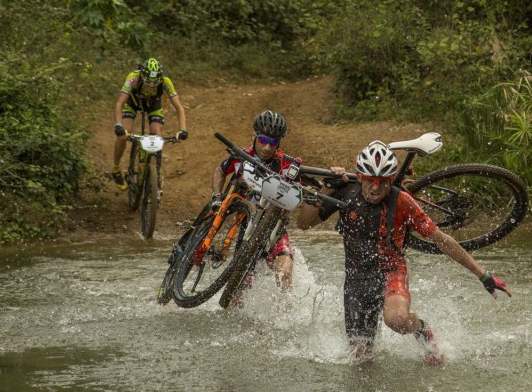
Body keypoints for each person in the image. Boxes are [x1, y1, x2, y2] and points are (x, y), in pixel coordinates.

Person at [297, 140, 512, 366]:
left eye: (382, 183)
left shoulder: (402, 202)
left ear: (391, 181)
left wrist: (483, 275)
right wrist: (324, 189)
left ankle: (422, 330)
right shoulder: (344, 193)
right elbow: (303, 224)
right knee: (361, 361)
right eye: (370, 181)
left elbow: (442, 241)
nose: (375, 188)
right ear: (360, 177)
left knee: (397, 320)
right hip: (356, 279)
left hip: (392, 272)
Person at [211, 110, 299, 295]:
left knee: (285, 272)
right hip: (246, 228)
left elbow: (303, 192)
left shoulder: (286, 165)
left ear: (279, 143)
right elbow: (220, 170)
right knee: (238, 292)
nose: (267, 147)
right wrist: (217, 196)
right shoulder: (241, 155)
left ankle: (287, 319)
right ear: (255, 136)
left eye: (273, 142)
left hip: (274, 228)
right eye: (263, 140)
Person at [111, 58, 188, 190]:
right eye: (147, 82)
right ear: (142, 76)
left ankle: (155, 174)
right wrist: (118, 125)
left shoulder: (165, 82)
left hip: (154, 105)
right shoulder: (133, 78)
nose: (151, 86)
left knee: (157, 134)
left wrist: (183, 129)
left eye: (155, 83)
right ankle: (116, 168)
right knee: (124, 133)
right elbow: (120, 104)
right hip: (133, 103)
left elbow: (179, 108)